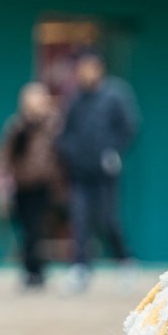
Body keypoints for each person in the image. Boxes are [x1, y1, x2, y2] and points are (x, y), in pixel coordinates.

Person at [57, 50, 139, 293]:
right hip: (80, 173)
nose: (84, 73)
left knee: (108, 220)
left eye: (88, 67)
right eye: (80, 68)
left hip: (105, 173)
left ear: (99, 68)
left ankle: (125, 263)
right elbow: (65, 133)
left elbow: (130, 127)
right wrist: (70, 154)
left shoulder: (116, 94)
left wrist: (112, 151)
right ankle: (80, 269)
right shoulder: (75, 98)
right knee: (79, 220)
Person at [0, 82, 61, 288]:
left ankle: (34, 269)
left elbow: (61, 156)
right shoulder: (17, 126)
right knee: (27, 228)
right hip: (22, 186)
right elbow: (3, 153)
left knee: (36, 228)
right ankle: (33, 269)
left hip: (43, 185)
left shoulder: (53, 125)